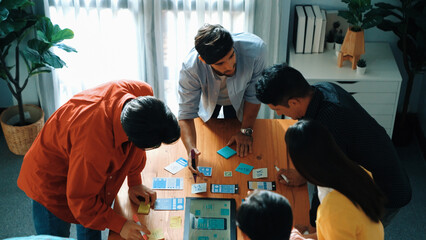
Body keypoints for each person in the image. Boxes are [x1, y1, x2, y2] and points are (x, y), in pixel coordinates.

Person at [17, 80, 181, 240]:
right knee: (54, 237)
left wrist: (135, 182)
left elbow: (135, 147)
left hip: (83, 168)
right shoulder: (93, 146)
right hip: (49, 181)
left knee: (92, 224)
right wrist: (120, 225)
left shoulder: (141, 94)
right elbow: (82, 201)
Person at [255, 63, 412, 227]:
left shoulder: (327, 124)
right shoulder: (323, 89)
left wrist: (314, 223)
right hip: (375, 168)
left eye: (277, 109)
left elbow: (326, 182)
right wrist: (304, 176)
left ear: (294, 102)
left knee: (358, 233)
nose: (279, 114)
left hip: (384, 191)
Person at [178, 23, 267, 176]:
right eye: (220, 63)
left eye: (231, 56)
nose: (230, 66)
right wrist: (191, 150)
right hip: (207, 103)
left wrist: (245, 131)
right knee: (210, 139)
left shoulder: (257, 50)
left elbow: (253, 95)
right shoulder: (190, 67)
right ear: (203, 60)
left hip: (241, 101)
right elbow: (186, 113)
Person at [285, 120, 386, 239]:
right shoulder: (358, 172)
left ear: (304, 166)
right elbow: (339, 231)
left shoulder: (333, 208)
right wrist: (306, 237)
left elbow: (338, 224)